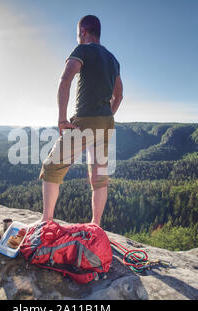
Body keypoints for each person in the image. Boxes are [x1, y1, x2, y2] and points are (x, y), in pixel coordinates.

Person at [39, 15, 123, 226]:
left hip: (85, 120)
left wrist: (61, 119)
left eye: (78, 34)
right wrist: (108, 115)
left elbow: (65, 79)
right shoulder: (113, 59)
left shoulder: (83, 50)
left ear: (84, 32)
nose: (78, 38)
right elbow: (119, 95)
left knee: (51, 167)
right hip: (106, 122)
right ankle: (95, 225)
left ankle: (46, 222)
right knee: (99, 176)